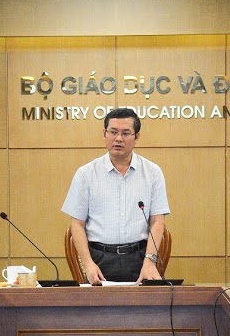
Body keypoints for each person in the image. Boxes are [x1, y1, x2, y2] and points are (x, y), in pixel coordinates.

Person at [62, 107, 170, 284]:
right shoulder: (86, 174)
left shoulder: (152, 172)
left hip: (140, 258)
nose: (118, 138)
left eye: (126, 133)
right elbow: (77, 224)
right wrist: (88, 264)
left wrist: (150, 261)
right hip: (99, 259)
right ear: (104, 134)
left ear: (136, 137)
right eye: (113, 132)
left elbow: (157, 221)